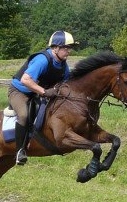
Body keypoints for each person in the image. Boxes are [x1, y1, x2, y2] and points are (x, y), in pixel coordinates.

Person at [8, 30, 77, 165]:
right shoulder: (42, 60)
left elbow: (66, 82)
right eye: (66, 48)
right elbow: (25, 80)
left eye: (70, 48)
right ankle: (19, 151)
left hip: (37, 92)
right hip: (19, 91)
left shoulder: (63, 65)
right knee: (23, 115)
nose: (69, 51)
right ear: (55, 48)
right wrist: (44, 92)